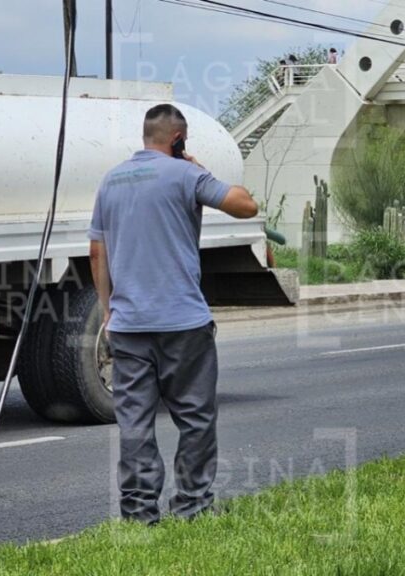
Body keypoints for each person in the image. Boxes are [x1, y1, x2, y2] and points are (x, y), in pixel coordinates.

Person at [88, 104, 258, 524]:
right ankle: (192, 506)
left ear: (146, 137)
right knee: (195, 418)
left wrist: (110, 313)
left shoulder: (110, 181)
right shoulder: (186, 174)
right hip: (183, 324)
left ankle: (139, 514)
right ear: (178, 139)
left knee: (135, 424)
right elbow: (245, 206)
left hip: (128, 326)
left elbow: (98, 250)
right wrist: (197, 168)